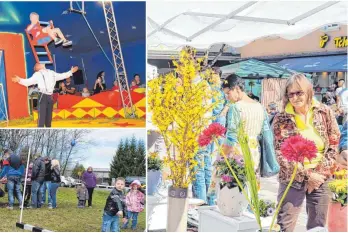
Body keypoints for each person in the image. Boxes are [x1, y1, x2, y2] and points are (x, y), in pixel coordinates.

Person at [272, 73, 340, 232]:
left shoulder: (324, 112)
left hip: (321, 177)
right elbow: (282, 154)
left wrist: (318, 175)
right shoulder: (282, 118)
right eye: (291, 94)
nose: (295, 97)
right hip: (292, 176)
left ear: (308, 91)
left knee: (317, 226)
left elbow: (334, 142)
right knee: (284, 224)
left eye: (299, 92)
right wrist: (308, 176)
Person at [12, 63, 79, 127]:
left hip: (50, 97)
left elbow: (63, 75)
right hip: (42, 96)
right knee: (42, 117)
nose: (40, 63)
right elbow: (28, 82)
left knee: (49, 118)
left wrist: (71, 71)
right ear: (37, 68)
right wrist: (19, 80)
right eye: (37, 64)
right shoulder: (37, 74)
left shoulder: (52, 73)